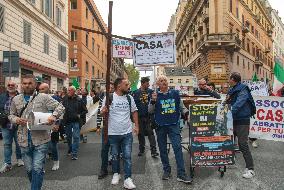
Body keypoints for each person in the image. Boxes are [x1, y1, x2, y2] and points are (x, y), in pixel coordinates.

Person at [9, 74, 65, 190]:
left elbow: (60, 107)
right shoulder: (16, 99)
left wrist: (53, 117)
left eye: (30, 83)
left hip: (41, 139)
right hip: (23, 139)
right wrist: (16, 119)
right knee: (30, 169)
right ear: (21, 84)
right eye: (24, 83)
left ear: (35, 84)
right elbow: (11, 114)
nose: (27, 85)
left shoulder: (43, 97)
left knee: (38, 168)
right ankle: (36, 185)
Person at [148, 75, 192, 184]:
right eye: (161, 81)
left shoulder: (175, 93)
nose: (164, 82)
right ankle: (166, 170)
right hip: (160, 125)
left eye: (165, 81)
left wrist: (187, 114)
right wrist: (153, 101)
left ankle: (181, 174)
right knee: (162, 149)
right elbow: (150, 111)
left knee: (177, 147)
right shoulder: (155, 95)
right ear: (158, 84)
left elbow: (182, 107)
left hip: (173, 124)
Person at [100, 78, 139, 189]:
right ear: (119, 86)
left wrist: (136, 126)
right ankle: (116, 174)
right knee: (115, 156)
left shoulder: (129, 98)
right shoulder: (109, 98)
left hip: (127, 133)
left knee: (127, 156)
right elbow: (102, 114)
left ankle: (127, 178)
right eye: (126, 85)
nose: (128, 86)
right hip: (113, 133)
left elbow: (134, 111)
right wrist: (103, 112)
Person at [226, 72, 255, 179]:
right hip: (233, 120)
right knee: (229, 141)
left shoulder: (243, 89)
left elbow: (239, 102)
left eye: (229, 79)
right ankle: (229, 160)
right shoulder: (232, 90)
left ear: (233, 79)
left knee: (243, 144)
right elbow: (227, 102)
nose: (228, 81)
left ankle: (251, 169)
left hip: (242, 120)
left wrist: (230, 111)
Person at [0, 81, 24, 173]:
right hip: (5, 125)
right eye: (9, 85)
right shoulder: (2, 96)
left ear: (16, 86)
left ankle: (19, 159)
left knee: (19, 144)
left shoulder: (21, 97)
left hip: (18, 124)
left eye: (12, 85)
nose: (10, 86)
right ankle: (7, 163)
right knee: (7, 144)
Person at [133, 77, 158, 157]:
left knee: (150, 133)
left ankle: (153, 151)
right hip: (139, 117)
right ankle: (141, 149)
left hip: (149, 117)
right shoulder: (136, 93)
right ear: (142, 83)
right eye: (147, 83)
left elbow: (154, 103)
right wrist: (133, 119)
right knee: (140, 134)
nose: (148, 85)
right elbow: (134, 107)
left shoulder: (151, 92)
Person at [38, 83, 60, 171]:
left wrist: (57, 124)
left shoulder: (55, 98)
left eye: (43, 89)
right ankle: (41, 165)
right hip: (41, 125)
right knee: (41, 146)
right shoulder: (37, 99)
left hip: (52, 125)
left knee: (52, 145)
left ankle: (56, 161)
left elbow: (60, 111)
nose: (40, 91)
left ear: (47, 89)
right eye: (40, 89)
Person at [62, 86, 88, 160]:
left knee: (76, 137)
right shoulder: (65, 99)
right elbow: (60, 108)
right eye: (68, 90)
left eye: (70, 90)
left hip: (76, 121)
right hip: (67, 121)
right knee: (69, 138)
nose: (68, 92)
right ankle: (70, 149)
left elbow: (85, 110)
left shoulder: (79, 100)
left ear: (73, 91)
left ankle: (74, 153)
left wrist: (80, 115)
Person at [97, 83, 114, 179]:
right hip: (106, 127)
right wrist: (98, 126)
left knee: (115, 148)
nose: (110, 89)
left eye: (112, 88)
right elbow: (100, 113)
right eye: (109, 87)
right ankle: (103, 169)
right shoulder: (103, 98)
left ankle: (115, 168)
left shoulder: (119, 97)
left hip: (116, 128)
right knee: (104, 149)